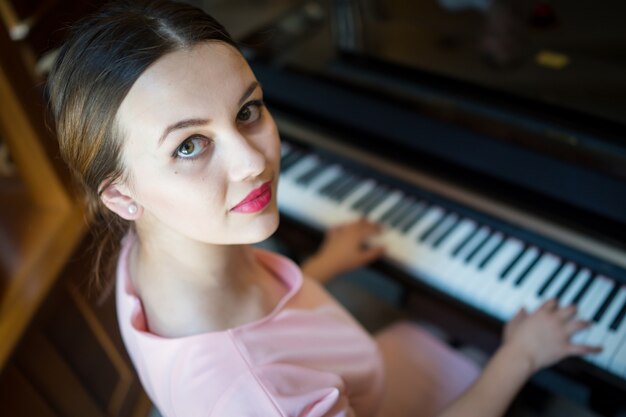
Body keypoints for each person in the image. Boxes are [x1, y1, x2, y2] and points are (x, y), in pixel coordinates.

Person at [46, 1, 601, 416]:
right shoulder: (258, 397)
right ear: (120, 194)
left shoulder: (156, 246)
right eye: (189, 145)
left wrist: (321, 269)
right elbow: (257, 371)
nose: (253, 163)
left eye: (247, 110)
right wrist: (519, 358)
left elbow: (256, 330)